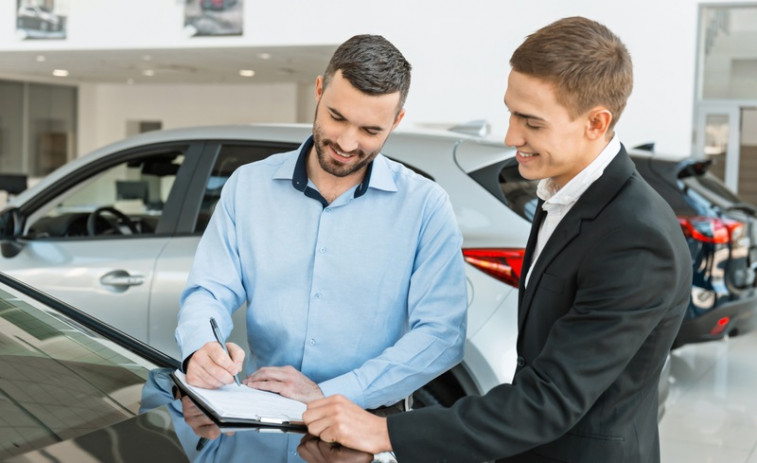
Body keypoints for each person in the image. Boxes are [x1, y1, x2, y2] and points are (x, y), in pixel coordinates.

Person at [303, 16, 692, 462]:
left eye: (531, 122)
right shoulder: (562, 196)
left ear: (596, 123)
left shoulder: (636, 237)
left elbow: (549, 399)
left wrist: (385, 432)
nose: (511, 136)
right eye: (511, 111)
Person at [175, 34, 468, 412]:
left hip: (367, 415)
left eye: (370, 131)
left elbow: (442, 334)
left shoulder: (426, 205)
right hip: (262, 409)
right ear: (319, 89)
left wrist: (330, 394)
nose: (347, 143)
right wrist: (202, 346)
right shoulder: (247, 187)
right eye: (337, 117)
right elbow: (208, 291)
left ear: (396, 121)